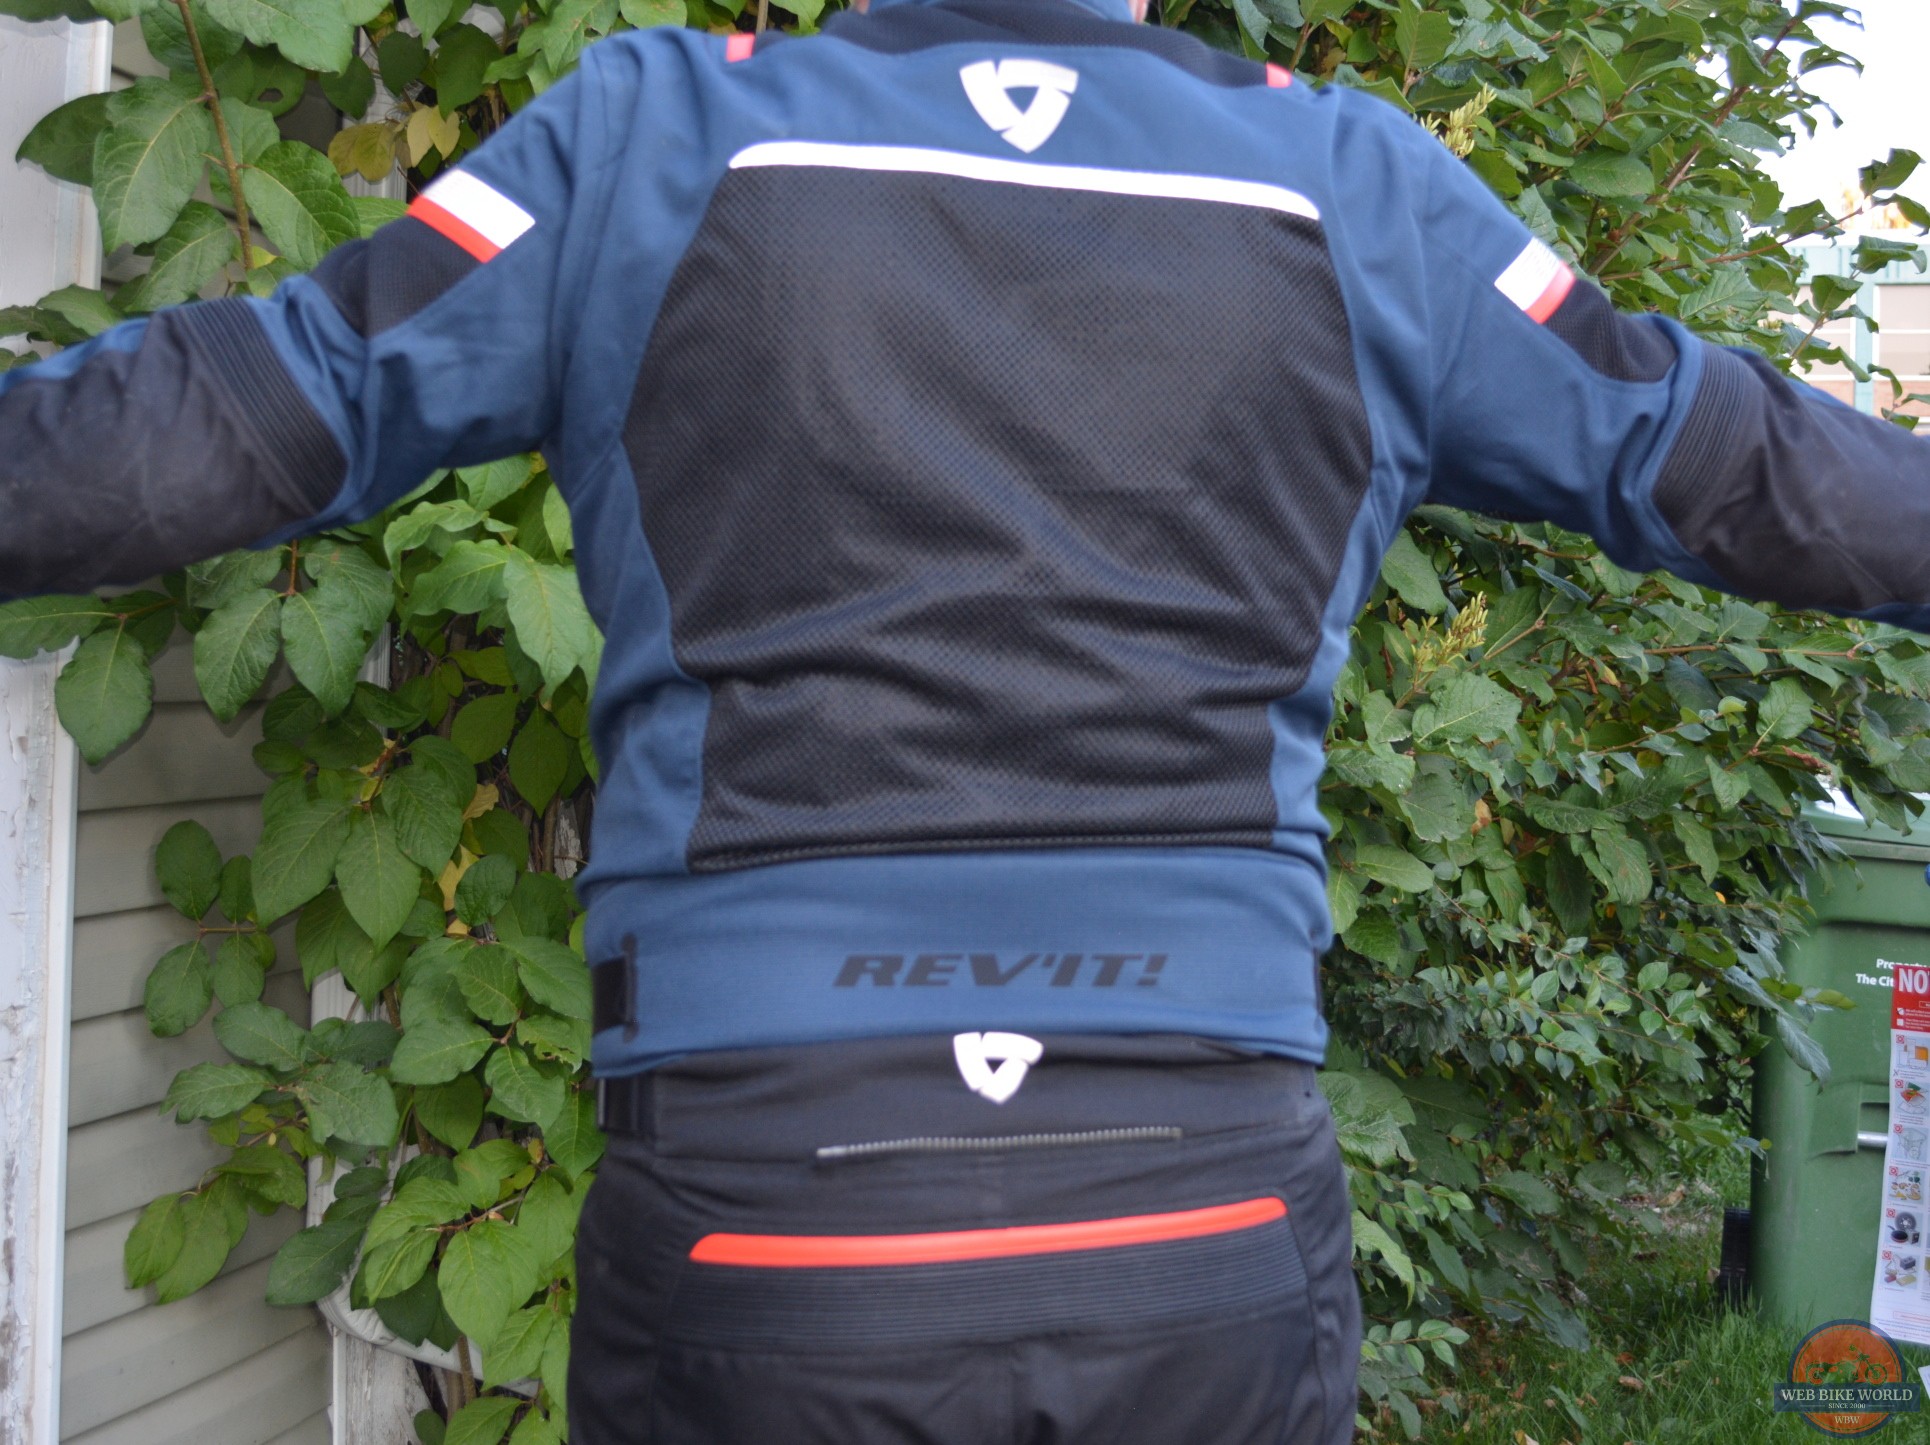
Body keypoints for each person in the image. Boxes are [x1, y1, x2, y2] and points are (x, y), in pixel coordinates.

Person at [5, 0, 1930, 1434]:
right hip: (1203, 1221)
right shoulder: (1351, 188)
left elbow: (238, 414)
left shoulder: (652, 136)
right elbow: (1729, 460)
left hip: (774, 1226)